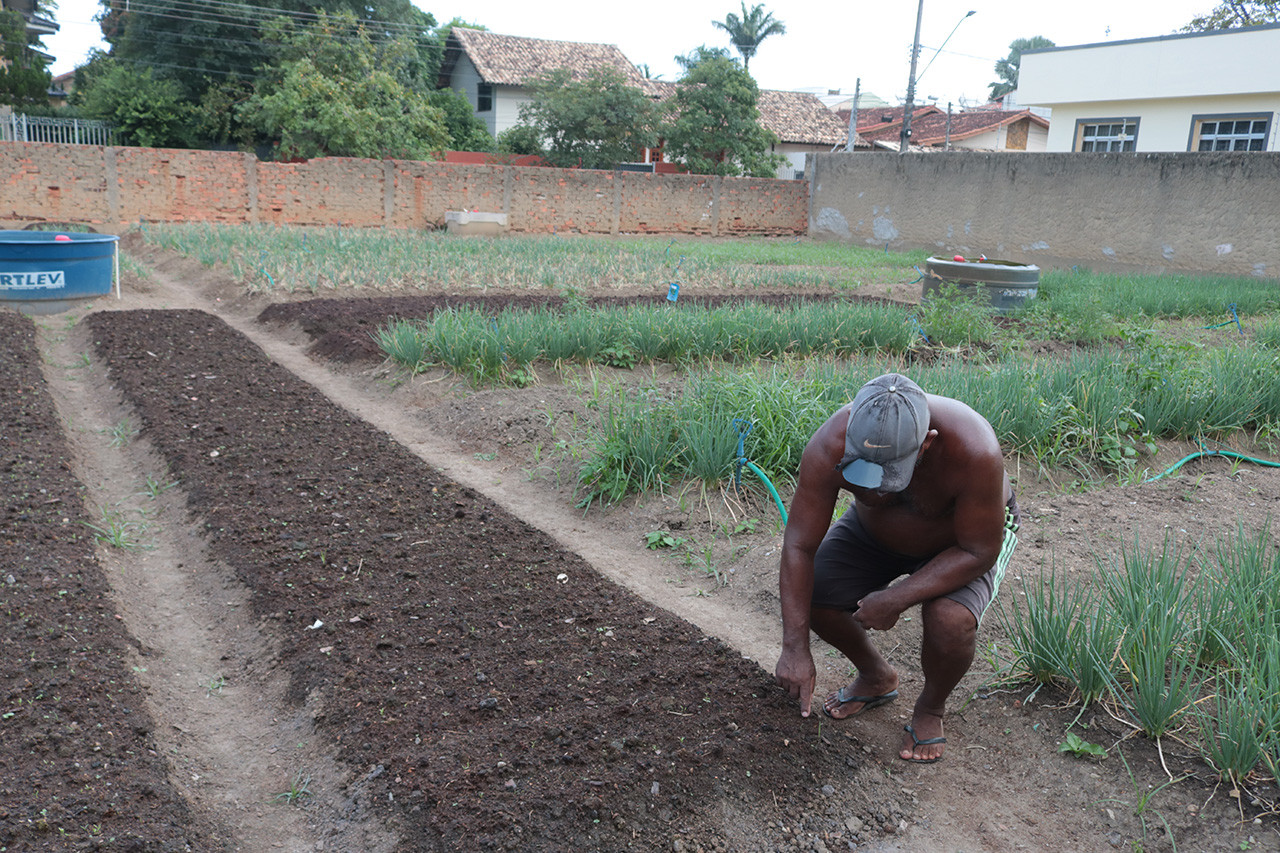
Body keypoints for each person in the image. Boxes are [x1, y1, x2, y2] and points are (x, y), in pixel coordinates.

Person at [773, 373, 1019, 763]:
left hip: (960, 545)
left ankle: (930, 708)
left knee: (950, 620)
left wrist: (897, 597)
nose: (873, 492)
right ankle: (876, 677)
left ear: (927, 442)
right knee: (814, 590)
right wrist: (794, 648)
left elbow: (979, 551)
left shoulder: (974, 451)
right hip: (876, 535)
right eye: (864, 473)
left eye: (889, 476)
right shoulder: (830, 444)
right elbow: (799, 546)